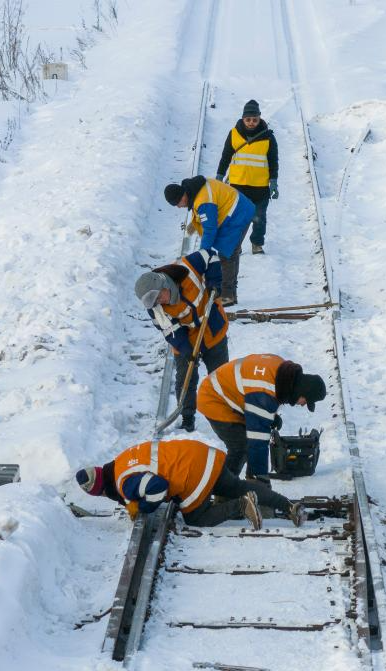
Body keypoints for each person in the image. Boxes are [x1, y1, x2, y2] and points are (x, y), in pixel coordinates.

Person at [75, 438, 306, 529]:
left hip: (192, 474)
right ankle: (289, 506)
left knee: (195, 518)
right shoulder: (123, 460)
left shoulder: (124, 483)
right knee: (236, 486)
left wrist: (143, 507)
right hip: (204, 456)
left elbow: (158, 487)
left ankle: (241, 506)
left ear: (104, 490)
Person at [134, 249, 229, 432]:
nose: (159, 303)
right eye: (154, 302)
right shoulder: (155, 308)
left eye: (159, 297)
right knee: (185, 377)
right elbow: (170, 331)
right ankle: (187, 417)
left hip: (212, 326)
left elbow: (211, 254)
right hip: (185, 336)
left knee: (220, 375)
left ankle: (226, 411)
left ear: (164, 284)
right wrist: (187, 351)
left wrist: (214, 283)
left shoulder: (187, 268)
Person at [197, 354, 326, 481]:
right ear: (301, 391)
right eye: (306, 401)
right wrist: (261, 480)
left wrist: (271, 415)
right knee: (241, 446)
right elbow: (257, 441)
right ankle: (224, 492)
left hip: (230, 395)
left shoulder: (283, 372)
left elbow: (262, 393)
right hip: (214, 398)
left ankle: (248, 487)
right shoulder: (264, 392)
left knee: (247, 446)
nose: (303, 405)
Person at [163, 175, 255, 306]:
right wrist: (195, 224)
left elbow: (210, 230)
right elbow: (204, 212)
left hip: (238, 215)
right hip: (235, 210)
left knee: (226, 254)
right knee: (229, 253)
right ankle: (230, 293)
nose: (178, 207)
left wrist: (203, 254)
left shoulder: (203, 201)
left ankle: (227, 295)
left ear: (182, 196)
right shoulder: (194, 189)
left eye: (177, 203)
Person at [216, 99, 279, 256]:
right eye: (248, 119)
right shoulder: (234, 134)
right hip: (238, 185)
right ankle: (236, 245)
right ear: (243, 118)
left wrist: (274, 181)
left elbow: (273, 161)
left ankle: (257, 244)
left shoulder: (268, 137)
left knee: (259, 218)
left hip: (260, 187)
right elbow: (225, 156)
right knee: (236, 218)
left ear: (259, 118)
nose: (251, 123)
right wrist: (219, 176)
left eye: (255, 119)